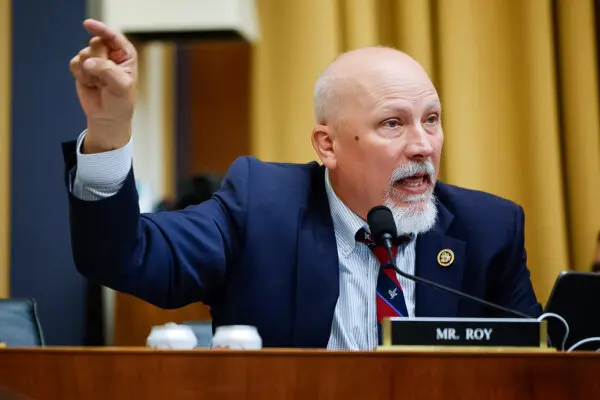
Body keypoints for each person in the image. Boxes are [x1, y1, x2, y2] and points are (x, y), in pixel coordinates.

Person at [63, 19, 542, 350]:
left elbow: (540, 371)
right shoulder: (261, 207)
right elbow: (125, 256)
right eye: (392, 124)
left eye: (431, 120)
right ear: (327, 145)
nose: (423, 145)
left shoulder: (488, 230)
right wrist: (109, 132)